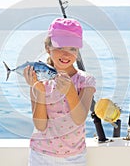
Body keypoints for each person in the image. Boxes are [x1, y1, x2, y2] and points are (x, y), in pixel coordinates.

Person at [23, 18, 96, 166]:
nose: (66, 54)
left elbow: (79, 119)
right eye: (60, 47)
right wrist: (40, 92)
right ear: (47, 48)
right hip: (40, 155)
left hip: (75, 158)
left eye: (73, 49)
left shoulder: (86, 81)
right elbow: (40, 126)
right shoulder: (39, 80)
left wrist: (70, 92)